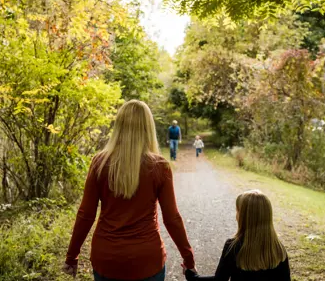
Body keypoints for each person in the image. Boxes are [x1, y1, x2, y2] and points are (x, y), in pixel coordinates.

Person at [62, 100, 195, 281]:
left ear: (119, 126)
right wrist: (188, 258)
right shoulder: (159, 166)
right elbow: (172, 219)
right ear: (148, 127)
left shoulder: (100, 163)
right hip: (147, 260)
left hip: (107, 258)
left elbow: (86, 214)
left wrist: (71, 256)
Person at [184, 190, 291, 281]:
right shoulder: (279, 249)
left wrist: (192, 275)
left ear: (244, 217)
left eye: (238, 211)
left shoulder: (233, 247)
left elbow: (219, 280)